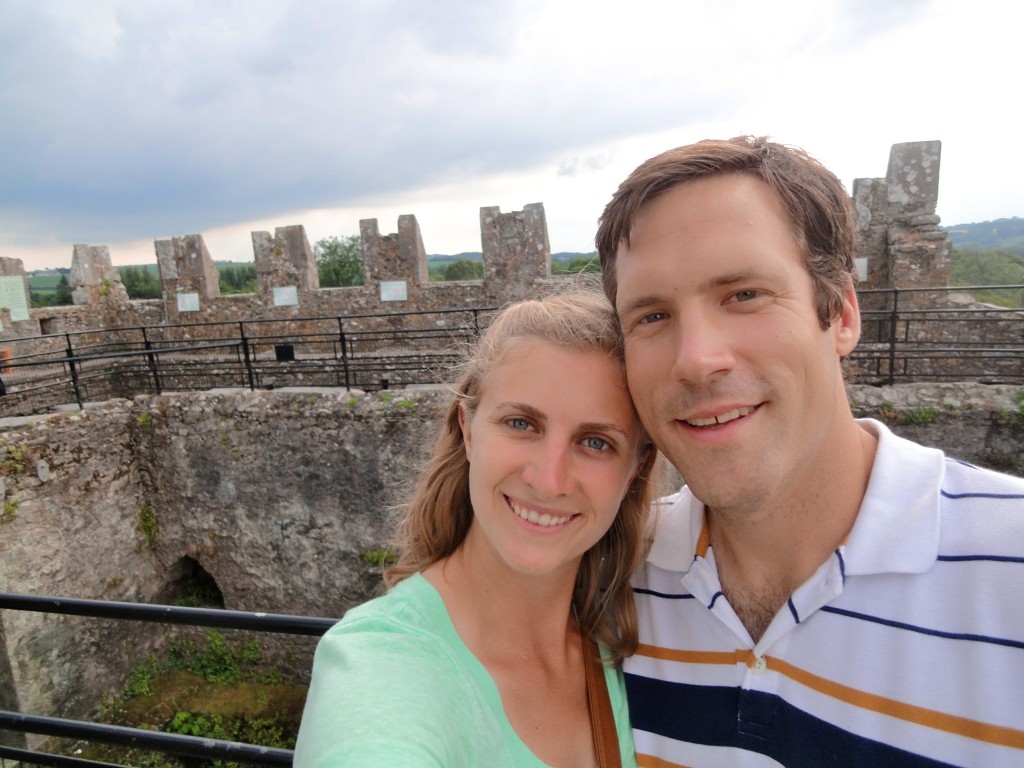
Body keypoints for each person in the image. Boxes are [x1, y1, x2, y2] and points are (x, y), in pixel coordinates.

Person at [595, 135, 1024, 767]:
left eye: (743, 294)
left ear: (842, 313)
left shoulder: (1008, 571)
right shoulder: (615, 575)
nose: (696, 360)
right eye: (651, 316)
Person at [294, 290, 661, 767]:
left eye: (596, 442)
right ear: (468, 429)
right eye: (521, 423)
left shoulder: (629, 641)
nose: (548, 481)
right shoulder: (380, 661)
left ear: (636, 467)